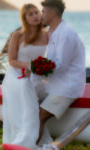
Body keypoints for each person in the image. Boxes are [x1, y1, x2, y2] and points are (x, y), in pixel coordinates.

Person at [2, 3, 52, 150]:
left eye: (36, 12)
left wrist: (44, 69)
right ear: (25, 18)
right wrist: (28, 66)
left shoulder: (47, 34)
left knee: (46, 88)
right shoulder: (18, 35)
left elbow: (53, 56)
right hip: (16, 74)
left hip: (37, 74)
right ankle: (25, 138)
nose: (35, 16)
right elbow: (11, 61)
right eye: (30, 14)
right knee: (25, 85)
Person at [36, 0, 86, 144]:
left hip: (66, 88)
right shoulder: (53, 31)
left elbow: (60, 65)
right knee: (29, 97)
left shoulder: (66, 33)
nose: (41, 15)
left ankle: (31, 146)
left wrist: (34, 69)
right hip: (55, 84)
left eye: (43, 12)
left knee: (39, 117)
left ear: (52, 12)